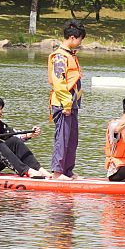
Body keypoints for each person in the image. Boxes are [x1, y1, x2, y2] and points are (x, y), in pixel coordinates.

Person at [47, 18, 85, 180]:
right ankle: (57, 173)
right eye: (80, 39)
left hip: (72, 104)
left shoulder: (70, 55)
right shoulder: (60, 56)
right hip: (63, 105)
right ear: (72, 38)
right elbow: (59, 81)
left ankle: (68, 171)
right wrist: (67, 104)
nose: (80, 43)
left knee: (72, 139)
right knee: (62, 139)